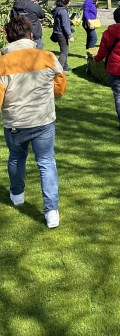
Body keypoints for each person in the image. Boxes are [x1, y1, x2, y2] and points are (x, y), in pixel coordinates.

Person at [0, 16, 66, 228]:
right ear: (31, 35)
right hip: (42, 119)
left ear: (8, 36)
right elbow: (60, 85)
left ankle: (17, 194)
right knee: (46, 162)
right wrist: (51, 94)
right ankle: (52, 211)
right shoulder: (46, 56)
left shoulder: (3, 62)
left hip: (15, 122)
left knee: (17, 158)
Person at [51, 0, 74, 72]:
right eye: (69, 1)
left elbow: (60, 22)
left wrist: (69, 21)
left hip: (57, 32)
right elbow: (64, 25)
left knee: (64, 50)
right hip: (62, 34)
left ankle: (65, 66)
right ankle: (58, 69)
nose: (70, 3)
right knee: (64, 52)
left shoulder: (57, 9)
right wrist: (70, 35)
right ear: (64, 1)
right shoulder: (63, 11)